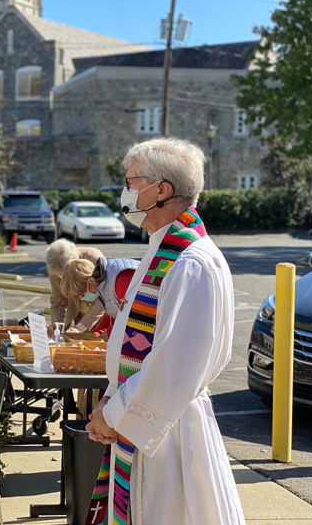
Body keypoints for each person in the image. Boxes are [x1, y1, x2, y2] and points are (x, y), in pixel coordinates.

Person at [84, 138, 245, 525]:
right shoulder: (162, 251)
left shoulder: (192, 262)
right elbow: (131, 343)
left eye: (131, 182)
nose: (126, 192)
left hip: (171, 438)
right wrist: (110, 403)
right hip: (146, 423)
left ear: (162, 190)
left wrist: (117, 414)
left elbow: (177, 363)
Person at [59, 256, 139, 339]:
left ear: (91, 281)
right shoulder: (101, 284)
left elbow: (137, 321)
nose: (80, 298)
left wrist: (107, 336)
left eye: (80, 294)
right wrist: (92, 337)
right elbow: (112, 314)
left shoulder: (123, 280)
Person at [46, 239, 105, 334]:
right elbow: (58, 300)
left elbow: (102, 301)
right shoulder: (53, 266)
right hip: (77, 314)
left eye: (64, 273)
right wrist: (56, 324)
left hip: (100, 317)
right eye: (60, 275)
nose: (62, 277)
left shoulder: (95, 259)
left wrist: (80, 327)